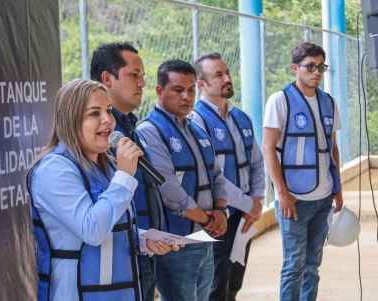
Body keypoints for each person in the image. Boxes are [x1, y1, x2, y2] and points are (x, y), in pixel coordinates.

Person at [27, 79, 179, 301]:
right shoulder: (54, 169)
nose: (108, 120)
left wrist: (144, 240)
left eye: (108, 110)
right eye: (94, 114)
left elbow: (110, 224)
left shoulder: (108, 166)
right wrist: (125, 176)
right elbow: (92, 230)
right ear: (71, 120)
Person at [137, 59, 228, 301]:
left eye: (191, 90)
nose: (186, 96)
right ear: (159, 91)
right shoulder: (149, 131)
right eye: (178, 90)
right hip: (176, 244)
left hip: (205, 238)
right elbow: (168, 189)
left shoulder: (196, 128)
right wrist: (208, 219)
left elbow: (217, 175)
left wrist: (220, 210)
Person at [262, 42, 343, 301]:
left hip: (323, 197)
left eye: (321, 67)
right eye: (310, 66)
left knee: (313, 264)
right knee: (293, 265)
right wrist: (281, 193)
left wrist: (337, 189)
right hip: (295, 199)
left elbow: (333, 147)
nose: (316, 72)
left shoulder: (328, 102)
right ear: (295, 68)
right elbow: (268, 148)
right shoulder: (280, 100)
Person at [90, 42, 164, 301]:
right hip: (117, 258)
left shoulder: (130, 128)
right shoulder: (99, 140)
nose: (142, 83)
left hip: (144, 247)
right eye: (134, 75)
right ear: (107, 79)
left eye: (143, 76)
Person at [192, 52, 265, 301]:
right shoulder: (196, 122)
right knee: (216, 286)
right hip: (218, 217)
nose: (227, 78)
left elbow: (256, 161)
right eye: (218, 75)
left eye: (228, 73)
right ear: (201, 84)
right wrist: (249, 205)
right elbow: (214, 177)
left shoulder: (241, 117)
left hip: (244, 216)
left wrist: (256, 198)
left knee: (234, 282)